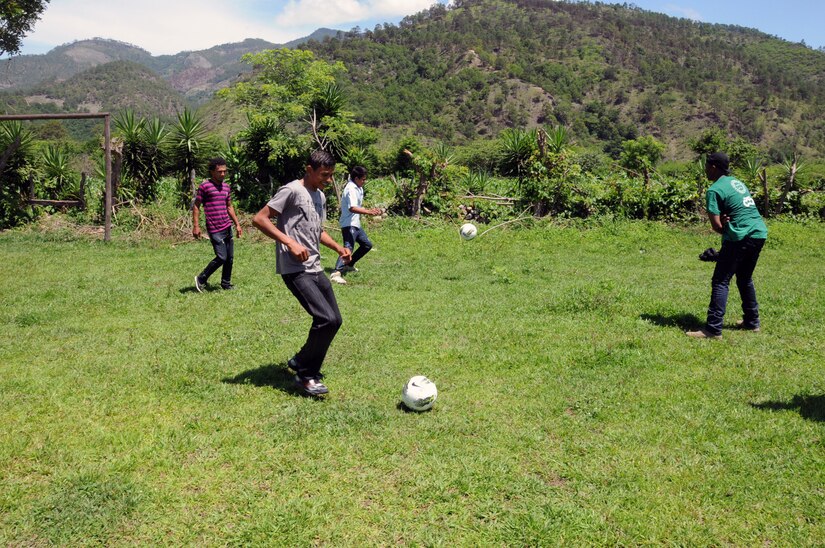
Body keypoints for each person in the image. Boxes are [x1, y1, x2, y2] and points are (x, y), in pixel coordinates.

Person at [252, 150, 352, 396]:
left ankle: (300, 361)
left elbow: (317, 230)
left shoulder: (319, 196)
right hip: (295, 268)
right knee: (325, 319)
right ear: (309, 169)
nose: (328, 180)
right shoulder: (292, 190)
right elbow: (260, 219)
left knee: (335, 320)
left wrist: (338, 247)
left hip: (315, 267)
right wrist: (291, 243)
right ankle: (306, 375)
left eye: (331, 175)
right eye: (324, 175)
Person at [687, 152, 768, 339]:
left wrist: (723, 227)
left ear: (713, 167)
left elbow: (717, 227)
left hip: (741, 236)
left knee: (720, 281)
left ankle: (713, 329)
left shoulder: (714, 190)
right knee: (744, 277)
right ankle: (751, 321)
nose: (706, 169)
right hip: (758, 232)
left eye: (707, 165)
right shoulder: (737, 183)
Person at [193, 157, 243, 292]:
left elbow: (229, 207)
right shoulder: (205, 186)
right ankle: (201, 278)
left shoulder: (226, 187)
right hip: (214, 228)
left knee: (230, 258)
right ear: (212, 172)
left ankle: (226, 283)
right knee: (222, 257)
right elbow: (196, 206)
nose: (222, 174)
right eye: (219, 171)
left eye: (224, 172)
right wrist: (196, 226)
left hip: (227, 226)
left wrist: (237, 224)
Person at [329, 165, 383, 285]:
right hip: (349, 224)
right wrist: (369, 212)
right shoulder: (351, 189)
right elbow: (352, 208)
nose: (364, 181)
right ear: (356, 178)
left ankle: (349, 265)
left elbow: (357, 206)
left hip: (355, 224)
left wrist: (370, 210)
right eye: (363, 179)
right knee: (348, 248)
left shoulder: (358, 188)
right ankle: (336, 272)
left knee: (366, 245)